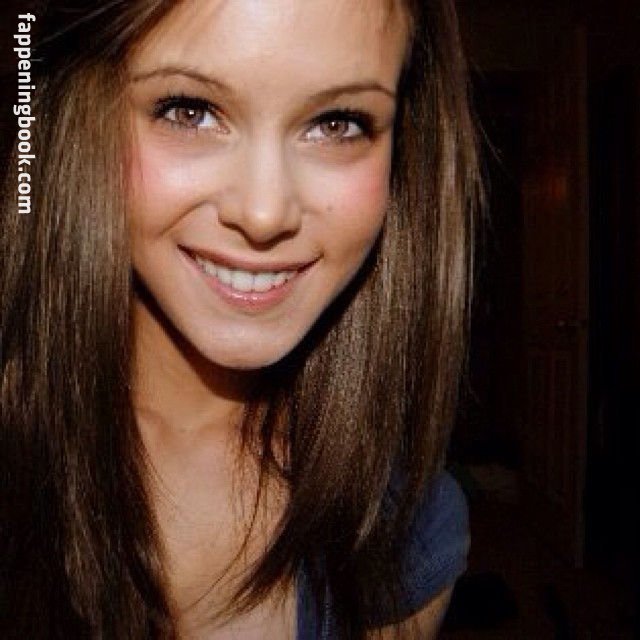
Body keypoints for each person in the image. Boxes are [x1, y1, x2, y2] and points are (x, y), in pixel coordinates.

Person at [0, 0, 480, 638]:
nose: (263, 212)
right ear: (75, 119)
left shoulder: (409, 531)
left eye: (337, 123)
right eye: (189, 110)